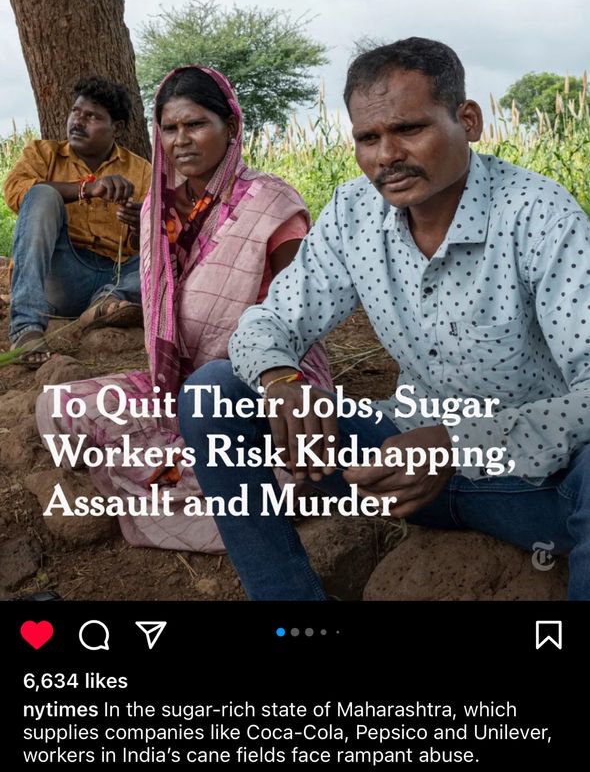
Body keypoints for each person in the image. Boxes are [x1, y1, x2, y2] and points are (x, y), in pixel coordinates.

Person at [177, 37, 590, 601]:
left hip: (531, 482)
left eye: (410, 129)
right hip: (394, 472)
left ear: (467, 121)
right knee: (212, 394)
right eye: (368, 138)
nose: (386, 155)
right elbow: (266, 322)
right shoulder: (354, 213)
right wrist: (281, 381)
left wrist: (452, 445)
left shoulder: (539, 216)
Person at [35, 65, 331, 552]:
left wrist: (276, 382)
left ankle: (207, 480)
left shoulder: (270, 203)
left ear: (230, 127)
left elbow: (299, 310)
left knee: (277, 460)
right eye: (169, 129)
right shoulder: (159, 208)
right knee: (59, 405)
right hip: (175, 385)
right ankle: (213, 478)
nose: (181, 140)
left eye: (195, 125)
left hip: (262, 385)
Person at [4, 76, 151, 365]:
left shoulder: (141, 170)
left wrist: (138, 226)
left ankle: (103, 305)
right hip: (61, 278)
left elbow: (141, 246)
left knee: (166, 254)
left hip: (116, 277)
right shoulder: (43, 153)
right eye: (76, 112)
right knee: (42, 194)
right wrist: (86, 189)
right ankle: (25, 328)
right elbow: (15, 193)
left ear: (116, 128)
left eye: (92, 116)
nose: (78, 121)